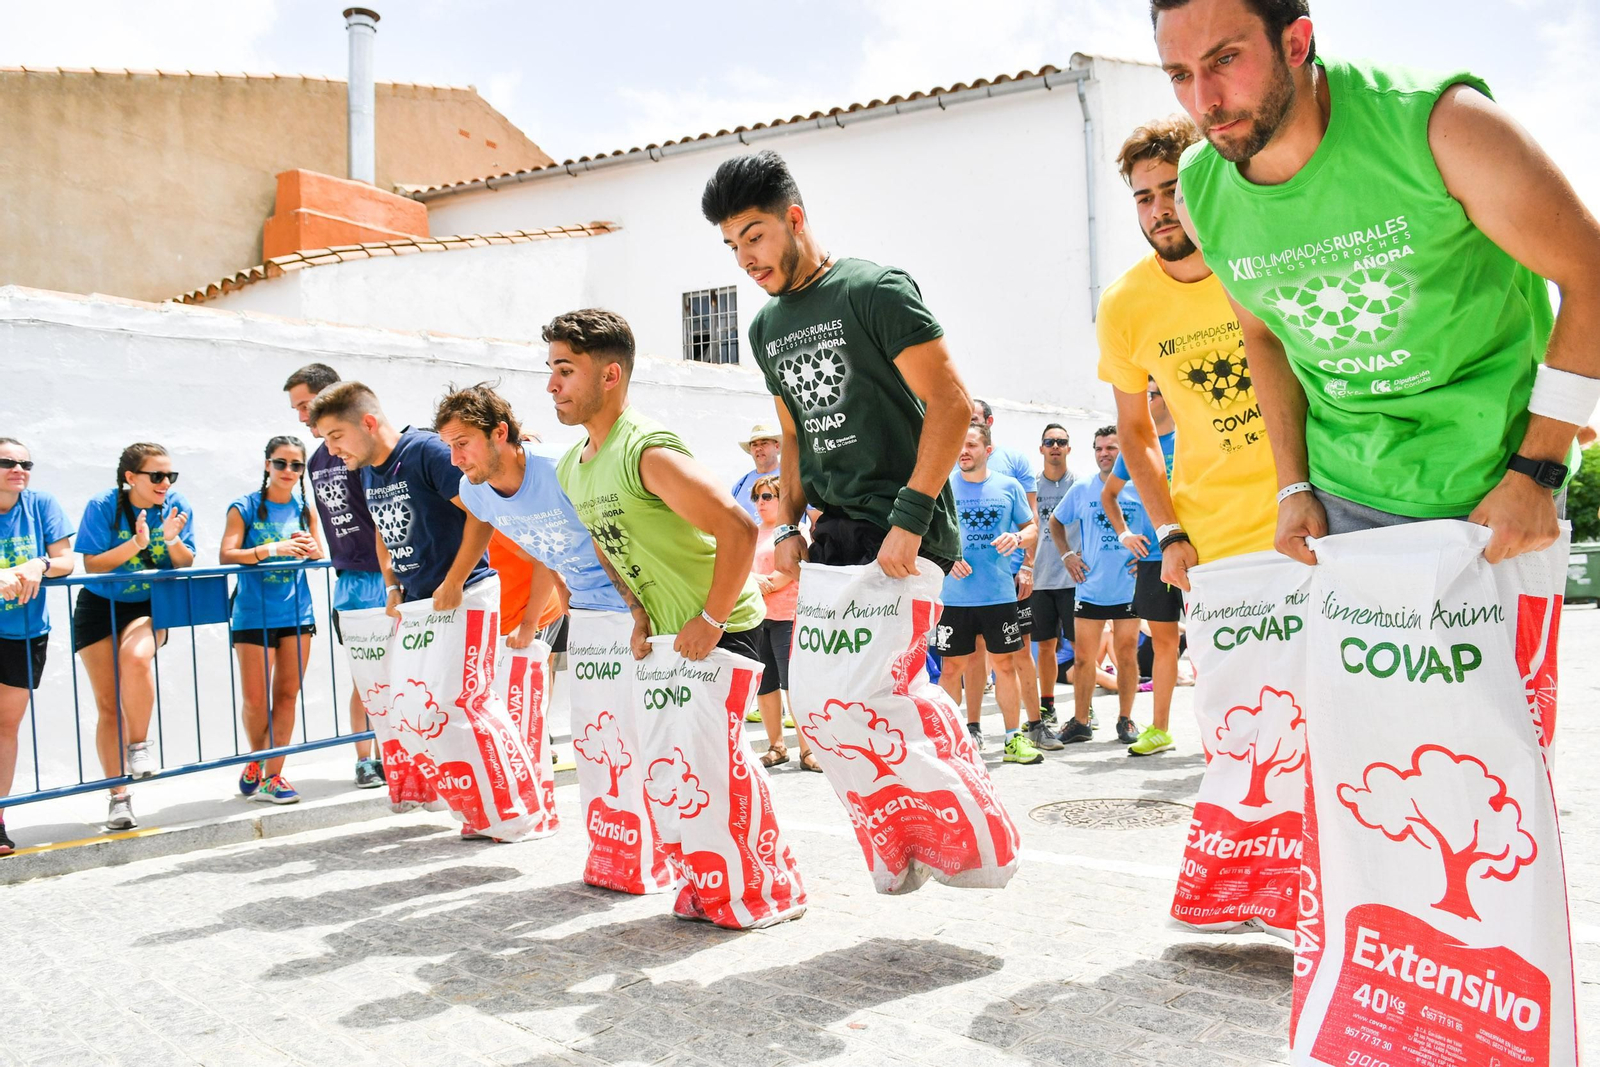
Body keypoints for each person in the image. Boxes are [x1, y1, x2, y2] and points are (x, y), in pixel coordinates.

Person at [1154, 0, 1600, 560]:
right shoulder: (1199, 192)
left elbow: (1591, 275)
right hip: (1340, 499)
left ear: (1295, 44)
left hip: (1498, 492)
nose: (1204, 101)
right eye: (1179, 75)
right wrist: (1292, 486)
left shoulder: (1444, 124)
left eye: (1225, 59)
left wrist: (1538, 474)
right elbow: (1262, 332)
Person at [701, 149, 969, 583]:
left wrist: (910, 521)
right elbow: (792, 434)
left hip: (900, 533)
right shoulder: (764, 328)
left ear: (793, 219)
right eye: (734, 246)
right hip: (831, 533)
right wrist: (788, 524)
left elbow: (952, 403)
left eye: (754, 238)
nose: (743, 260)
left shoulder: (874, 290)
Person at [546, 309, 765, 661]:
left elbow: (740, 529)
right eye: (552, 371)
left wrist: (712, 621)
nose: (552, 386)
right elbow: (604, 541)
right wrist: (639, 613)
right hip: (665, 636)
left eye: (566, 371)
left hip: (723, 631)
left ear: (610, 376)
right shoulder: (570, 468)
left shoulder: (646, 451)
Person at [74, 443, 196, 830]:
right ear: (131, 477)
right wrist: (138, 544)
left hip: (147, 605)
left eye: (169, 476)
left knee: (137, 658)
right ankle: (119, 799)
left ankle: (139, 746)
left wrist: (172, 539)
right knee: (108, 706)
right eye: (156, 475)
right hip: (98, 605)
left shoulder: (177, 505)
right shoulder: (103, 504)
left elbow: (186, 561)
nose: (165, 483)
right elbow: (92, 564)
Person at [308, 383, 495, 613]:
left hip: (466, 596)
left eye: (336, 436)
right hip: (417, 603)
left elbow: (482, 513)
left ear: (368, 423)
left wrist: (454, 582)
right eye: (326, 440)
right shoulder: (366, 469)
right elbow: (382, 527)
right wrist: (391, 587)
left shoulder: (427, 452)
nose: (331, 450)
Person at [284, 363, 385, 789]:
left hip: (386, 576)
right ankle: (366, 760)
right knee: (363, 675)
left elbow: (380, 512)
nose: (303, 417)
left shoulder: (361, 450)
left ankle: (400, 758)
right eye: (298, 409)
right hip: (349, 580)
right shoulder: (317, 459)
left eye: (306, 405)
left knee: (398, 675)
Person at [218, 436, 324, 805]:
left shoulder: (304, 508)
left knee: (287, 696)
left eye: (297, 466)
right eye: (281, 463)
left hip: (297, 612)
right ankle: (257, 757)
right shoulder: (245, 506)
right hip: (252, 614)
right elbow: (227, 553)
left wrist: (310, 549)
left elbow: (318, 552)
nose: (289, 472)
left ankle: (272, 775)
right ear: (267, 465)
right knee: (254, 699)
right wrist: (271, 549)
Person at [935, 425, 1043, 765]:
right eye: (960, 444)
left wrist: (1018, 538)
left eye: (971, 444)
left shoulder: (1009, 486)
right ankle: (953, 742)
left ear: (988, 449)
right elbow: (923, 535)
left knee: (1004, 665)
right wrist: (947, 559)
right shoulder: (942, 488)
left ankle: (1013, 740)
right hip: (953, 597)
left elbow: (1032, 528)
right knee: (951, 669)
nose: (963, 450)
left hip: (998, 595)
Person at [0, 438, 75, 855]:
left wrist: (38, 564)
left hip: (24, 632)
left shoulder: (41, 504)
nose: (19, 469)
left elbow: (66, 561)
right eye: (7, 462)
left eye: (25, 462)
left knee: (5, 727)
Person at [1100, 381, 1180, 756]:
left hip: (1206, 553)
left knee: (1215, 641)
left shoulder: (1192, 436)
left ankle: (1229, 728)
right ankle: (1160, 730)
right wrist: (1125, 534)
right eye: (1143, 392)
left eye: (1154, 392)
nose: (1146, 399)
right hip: (1154, 560)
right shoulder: (1134, 445)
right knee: (1164, 644)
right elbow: (1109, 495)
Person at [1051, 428, 1142, 746]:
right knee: (1082, 659)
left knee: (1127, 653)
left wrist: (1149, 560)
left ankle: (1125, 719)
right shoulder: (1082, 488)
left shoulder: (1141, 487)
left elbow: (1163, 521)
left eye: (1111, 448)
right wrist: (1066, 555)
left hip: (1129, 587)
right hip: (1090, 586)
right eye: (1099, 448)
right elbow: (1055, 521)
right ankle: (1080, 721)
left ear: (1124, 451)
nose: (1104, 453)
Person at [965, 400, 1046, 750]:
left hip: (1010, 576)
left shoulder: (1012, 464)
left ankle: (1034, 725)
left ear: (989, 425)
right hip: (966, 583)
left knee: (1016, 654)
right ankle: (972, 728)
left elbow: (1031, 521)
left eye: (973, 421)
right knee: (972, 655)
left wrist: (1027, 565)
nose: (966, 428)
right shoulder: (954, 467)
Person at [745, 474, 817, 771]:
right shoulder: (749, 532)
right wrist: (757, 581)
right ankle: (777, 746)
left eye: (767, 497)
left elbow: (786, 573)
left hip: (788, 617)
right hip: (756, 618)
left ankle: (807, 748)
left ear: (780, 499)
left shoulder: (798, 531)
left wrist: (755, 581)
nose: (760, 503)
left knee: (793, 685)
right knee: (766, 685)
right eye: (757, 497)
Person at [1027, 424, 1079, 745]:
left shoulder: (1080, 485)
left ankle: (1083, 707)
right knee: (1045, 647)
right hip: (1039, 581)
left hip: (1074, 580)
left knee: (1083, 648)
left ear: (1069, 449)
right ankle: (1047, 707)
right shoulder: (1030, 487)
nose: (1055, 446)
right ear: (1042, 448)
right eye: (1050, 442)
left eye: (1061, 442)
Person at [730, 425, 781, 519]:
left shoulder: (793, 477)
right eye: (754, 445)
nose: (758, 448)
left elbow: (814, 520)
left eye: (764, 443)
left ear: (777, 446)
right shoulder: (740, 485)